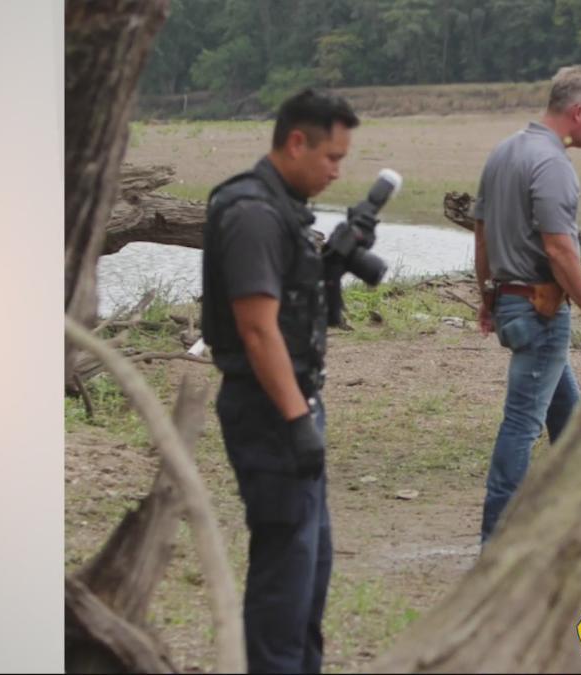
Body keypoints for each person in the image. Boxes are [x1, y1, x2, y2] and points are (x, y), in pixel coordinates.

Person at [200, 88, 361, 673]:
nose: (337, 172)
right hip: (268, 411)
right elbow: (257, 330)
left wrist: (328, 269)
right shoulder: (251, 214)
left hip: (292, 404)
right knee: (283, 580)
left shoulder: (282, 209)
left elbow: (289, 305)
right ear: (297, 141)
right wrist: (297, 421)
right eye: (332, 158)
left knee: (310, 571)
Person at [472, 64, 581, 544]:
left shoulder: (503, 151)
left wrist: (487, 297)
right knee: (521, 424)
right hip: (540, 312)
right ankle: (495, 542)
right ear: (578, 112)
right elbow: (559, 248)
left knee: (568, 420)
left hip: (512, 305)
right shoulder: (552, 163)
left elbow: (483, 233)